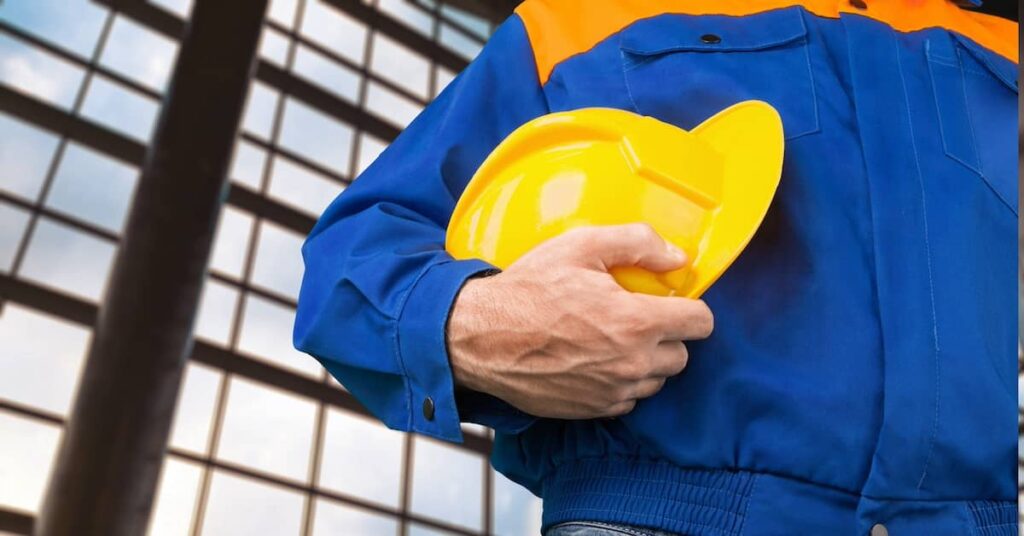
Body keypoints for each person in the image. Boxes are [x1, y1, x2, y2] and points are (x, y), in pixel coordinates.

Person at [293, 1, 1018, 534]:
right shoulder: (580, 20)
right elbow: (350, 262)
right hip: (654, 517)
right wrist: (485, 322)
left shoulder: (1003, 52)